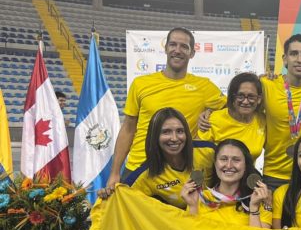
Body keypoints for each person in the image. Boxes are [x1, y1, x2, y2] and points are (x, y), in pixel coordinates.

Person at [102, 27, 224, 195]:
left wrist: (209, 110)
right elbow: (128, 129)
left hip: (177, 173)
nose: (177, 50)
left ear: (192, 53)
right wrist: (115, 172)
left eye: (184, 46)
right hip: (138, 167)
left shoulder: (204, 87)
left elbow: (232, 105)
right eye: (173, 44)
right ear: (165, 48)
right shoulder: (141, 84)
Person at [99, 107, 214, 209]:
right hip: (185, 226)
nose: (174, 138)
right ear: (155, 137)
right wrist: (108, 194)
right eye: (166, 132)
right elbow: (120, 200)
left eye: (179, 131)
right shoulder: (146, 175)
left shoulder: (208, 151)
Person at [261, 34, 301, 190]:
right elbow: (238, 102)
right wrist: (208, 111)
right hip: (274, 175)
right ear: (284, 59)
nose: (299, 59)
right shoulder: (265, 85)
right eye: (294, 53)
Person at [181, 138, 261, 225]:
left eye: (236, 160)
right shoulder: (198, 198)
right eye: (223, 159)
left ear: (246, 166)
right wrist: (193, 206)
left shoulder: (257, 199)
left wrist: (254, 209)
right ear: (215, 164)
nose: (229, 165)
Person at [197, 73, 266, 163]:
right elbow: (198, 156)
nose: (245, 101)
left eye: (251, 96)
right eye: (240, 96)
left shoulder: (263, 120)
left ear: (259, 99)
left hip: (249, 176)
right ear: (233, 97)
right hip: (216, 176)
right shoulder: (213, 120)